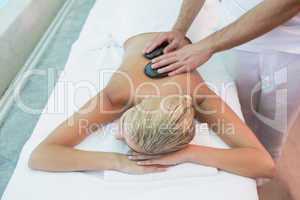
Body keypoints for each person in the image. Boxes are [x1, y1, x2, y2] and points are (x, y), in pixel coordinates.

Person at [29, 32, 274, 178]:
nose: (117, 133)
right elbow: (40, 156)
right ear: (129, 112)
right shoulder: (118, 94)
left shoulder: (196, 96)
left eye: (121, 137)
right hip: (140, 22)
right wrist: (118, 161)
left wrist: (188, 153)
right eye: (124, 133)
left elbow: (265, 165)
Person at [144, 0, 300, 159]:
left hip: (290, 51)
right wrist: (179, 29)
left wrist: (207, 46)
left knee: (273, 130)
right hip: (232, 40)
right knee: (239, 120)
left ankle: (263, 171)